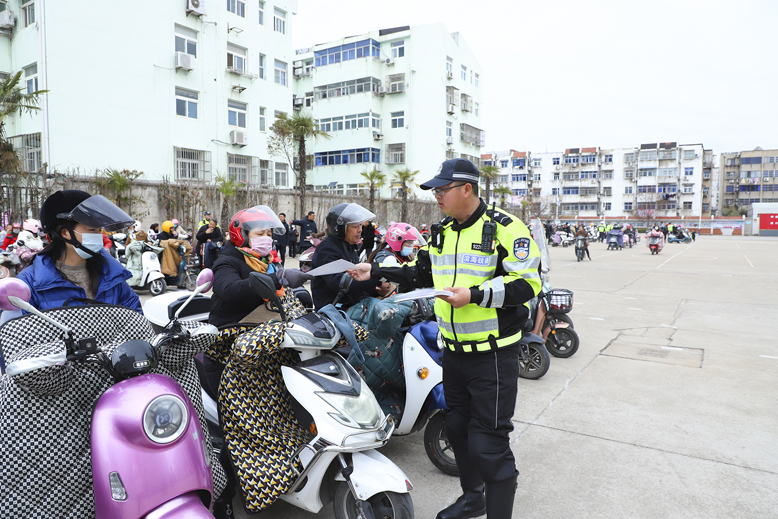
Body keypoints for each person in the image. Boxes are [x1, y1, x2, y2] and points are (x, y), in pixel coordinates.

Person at [349, 158, 541, 519]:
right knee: (457, 429)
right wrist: (372, 269)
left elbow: (528, 284)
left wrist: (474, 295)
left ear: (466, 189)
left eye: (442, 189)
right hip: (452, 354)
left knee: (489, 445)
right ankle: (473, 498)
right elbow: (419, 271)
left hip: (492, 357)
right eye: (435, 189)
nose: (436, 195)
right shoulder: (442, 232)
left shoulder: (504, 229)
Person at [205, 205, 310, 519]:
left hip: (256, 350)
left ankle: (273, 477)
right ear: (242, 234)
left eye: (268, 233)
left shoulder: (266, 260)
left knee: (277, 419)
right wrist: (262, 280)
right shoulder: (229, 259)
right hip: (225, 354)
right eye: (260, 233)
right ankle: (222, 500)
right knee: (238, 431)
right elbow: (227, 289)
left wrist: (286, 283)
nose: (266, 239)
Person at [8, 190, 142, 317]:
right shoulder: (29, 283)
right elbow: (19, 336)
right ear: (65, 233)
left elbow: (136, 321)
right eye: (92, 230)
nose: (99, 236)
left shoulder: (112, 275)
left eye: (99, 230)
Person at [310, 203, 392, 311]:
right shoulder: (327, 249)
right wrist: (376, 280)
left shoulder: (349, 247)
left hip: (351, 308)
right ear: (339, 229)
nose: (360, 230)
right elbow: (341, 284)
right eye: (355, 226)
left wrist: (376, 290)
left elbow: (358, 281)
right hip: (334, 313)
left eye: (360, 225)